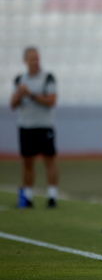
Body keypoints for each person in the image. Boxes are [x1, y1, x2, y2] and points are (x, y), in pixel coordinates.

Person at [10, 47, 59, 209]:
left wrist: (30, 94)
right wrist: (19, 94)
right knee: (27, 162)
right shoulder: (19, 80)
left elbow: (51, 101)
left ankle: (52, 196)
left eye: (37, 58)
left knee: (49, 160)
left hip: (44, 125)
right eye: (31, 58)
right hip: (26, 126)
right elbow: (13, 104)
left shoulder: (47, 78)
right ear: (25, 60)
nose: (35, 61)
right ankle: (28, 197)